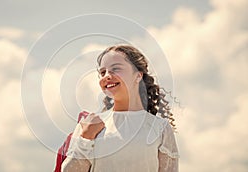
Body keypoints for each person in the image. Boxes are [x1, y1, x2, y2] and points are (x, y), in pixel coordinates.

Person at [61, 44, 179, 172]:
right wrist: (86, 137)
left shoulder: (160, 128)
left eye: (115, 69)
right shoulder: (90, 125)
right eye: (102, 72)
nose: (107, 75)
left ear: (138, 75)